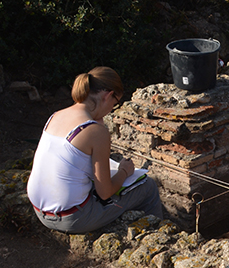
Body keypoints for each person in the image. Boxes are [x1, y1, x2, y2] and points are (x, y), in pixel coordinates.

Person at [27, 67, 164, 233]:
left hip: (40, 211)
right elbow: (105, 192)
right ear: (107, 95)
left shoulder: (56, 115)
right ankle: (157, 233)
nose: (111, 110)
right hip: (72, 218)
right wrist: (124, 172)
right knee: (148, 186)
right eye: (114, 103)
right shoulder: (96, 132)